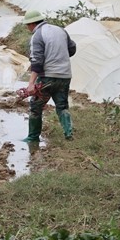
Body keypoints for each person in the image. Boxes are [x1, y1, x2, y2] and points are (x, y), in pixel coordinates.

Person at [22, 10, 76, 142]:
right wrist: (59, 58)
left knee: (36, 107)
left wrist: (31, 84)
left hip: (48, 77)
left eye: (27, 25)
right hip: (65, 75)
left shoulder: (37, 35)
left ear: (32, 23)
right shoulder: (60, 30)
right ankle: (68, 133)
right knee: (62, 105)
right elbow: (72, 48)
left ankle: (33, 137)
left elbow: (37, 62)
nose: (27, 28)